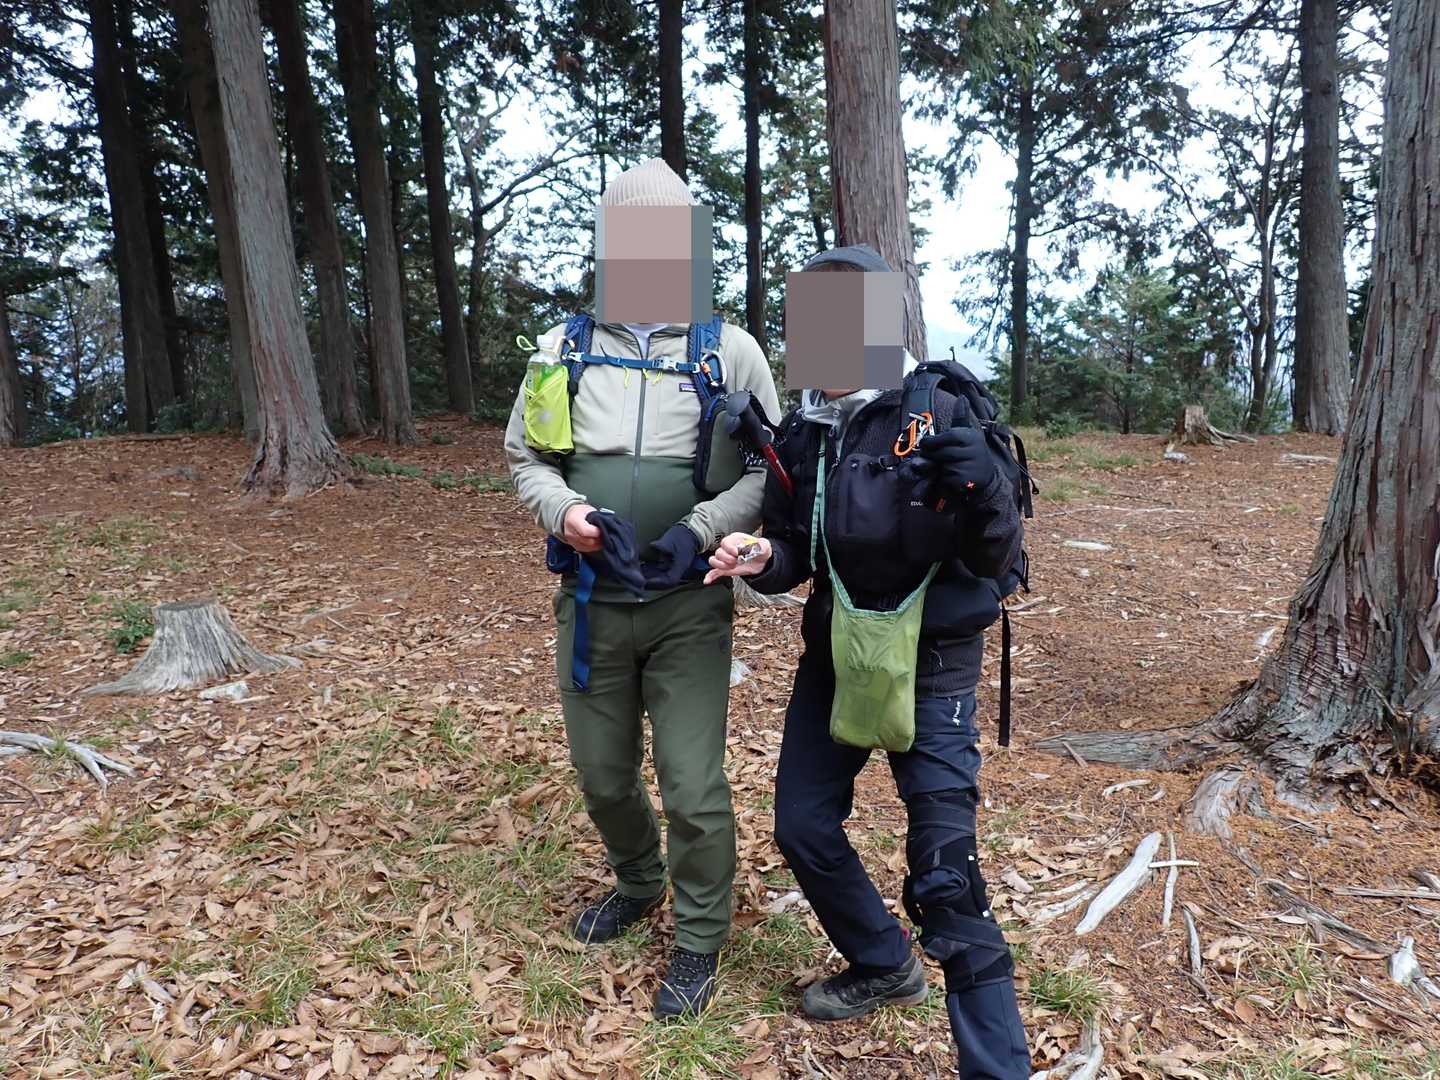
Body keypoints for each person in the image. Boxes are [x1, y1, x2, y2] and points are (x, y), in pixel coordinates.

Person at [706, 246, 1032, 1077]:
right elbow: (794, 548)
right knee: (803, 824)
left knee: (947, 878)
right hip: (840, 653)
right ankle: (884, 962)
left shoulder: (942, 408)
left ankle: (997, 1067)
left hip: (934, 662)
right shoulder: (807, 429)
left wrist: (987, 492)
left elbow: (996, 558)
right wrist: (760, 558)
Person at [504, 158, 781, 1019]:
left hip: (689, 604)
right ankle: (637, 880)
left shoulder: (729, 352)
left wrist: (698, 529)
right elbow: (528, 457)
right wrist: (568, 513)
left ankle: (698, 940)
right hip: (592, 602)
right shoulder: (562, 350)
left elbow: (770, 472)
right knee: (602, 774)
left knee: (693, 786)